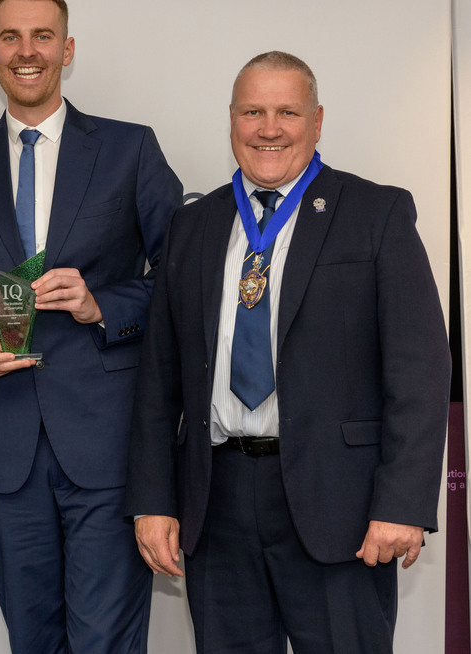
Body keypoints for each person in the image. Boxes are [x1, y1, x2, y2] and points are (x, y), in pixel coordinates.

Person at [126, 51, 450, 653]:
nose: (268, 129)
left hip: (342, 508)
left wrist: (402, 503)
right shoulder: (192, 227)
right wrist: (151, 500)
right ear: (231, 121)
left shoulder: (375, 214)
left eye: (286, 112)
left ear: (318, 120)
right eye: (253, 111)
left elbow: (420, 371)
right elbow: (158, 380)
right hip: (215, 502)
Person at [0, 0, 182, 651]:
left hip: (109, 447)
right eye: (11, 36)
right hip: (5, 449)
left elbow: (183, 281)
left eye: (42, 36)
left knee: (104, 641)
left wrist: (102, 306)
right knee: (33, 639)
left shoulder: (129, 149)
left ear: (67, 49)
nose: (25, 50)